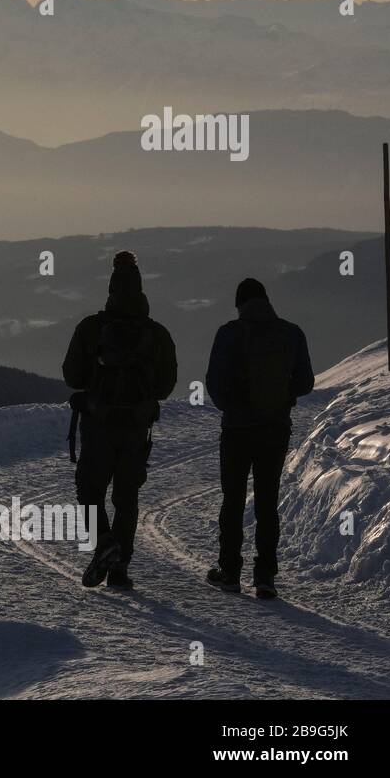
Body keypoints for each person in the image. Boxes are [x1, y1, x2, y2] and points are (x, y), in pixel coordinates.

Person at [63, 251, 177, 589]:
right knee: (127, 499)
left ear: (110, 289)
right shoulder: (157, 334)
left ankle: (104, 542)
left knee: (89, 490)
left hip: (99, 424)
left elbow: (72, 375)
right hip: (136, 428)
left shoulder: (91, 328)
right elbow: (166, 386)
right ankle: (119, 570)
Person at [204, 278, 313, 599]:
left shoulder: (229, 333)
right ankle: (265, 576)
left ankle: (230, 572)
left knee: (233, 498)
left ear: (240, 305)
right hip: (274, 429)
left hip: (237, 430)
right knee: (267, 501)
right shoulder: (291, 333)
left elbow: (213, 381)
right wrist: (280, 397)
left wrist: (233, 406)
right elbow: (305, 381)